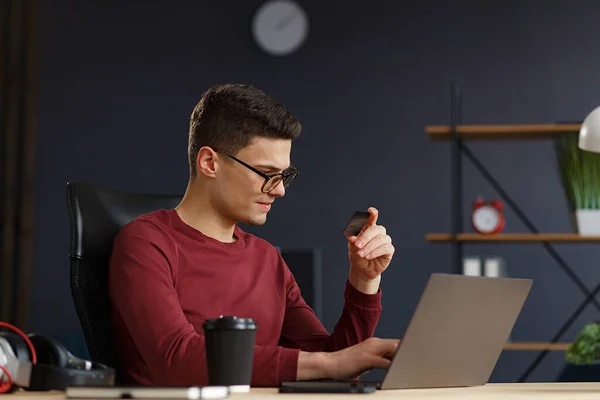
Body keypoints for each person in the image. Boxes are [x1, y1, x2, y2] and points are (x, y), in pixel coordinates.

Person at [108, 83, 398, 387]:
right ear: (210, 163)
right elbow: (175, 359)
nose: (280, 190)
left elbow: (335, 365)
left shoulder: (266, 258)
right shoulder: (144, 244)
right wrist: (330, 362)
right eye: (266, 173)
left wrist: (364, 283)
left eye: (284, 175)